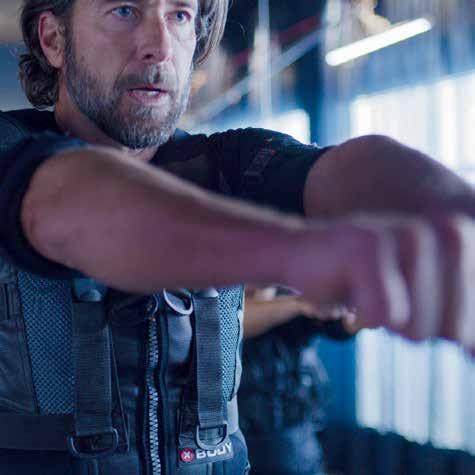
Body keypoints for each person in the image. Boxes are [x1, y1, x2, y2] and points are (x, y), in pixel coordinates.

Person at [0, 0, 473, 474]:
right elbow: (69, 202)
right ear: (53, 39)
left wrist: (455, 213)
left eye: (180, 15)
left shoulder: (226, 164)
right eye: (124, 10)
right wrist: (299, 253)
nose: (160, 47)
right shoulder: (10, 151)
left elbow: (345, 169)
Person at [240, 287, 355, 475]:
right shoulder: (214, 297)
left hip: (301, 447)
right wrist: (301, 304)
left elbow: (341, 325)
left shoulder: (292, 297)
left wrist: (358, 313)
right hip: (242, 447)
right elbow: (231, 322)